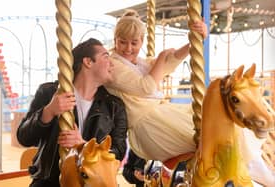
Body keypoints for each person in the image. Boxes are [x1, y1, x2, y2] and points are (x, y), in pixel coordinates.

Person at [17, 38, 128, 187]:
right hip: (49, 182)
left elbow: (119, 151)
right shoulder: (49, 92)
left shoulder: (114, 106)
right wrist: (48, 112)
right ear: (88, 62)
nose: (112, 64)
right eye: (106, 57)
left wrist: (84, 146)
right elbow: (24, 137)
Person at [105, 9, 208, 162]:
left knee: (211, 127)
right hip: (148, 126)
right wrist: (161, 58)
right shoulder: (112, 65)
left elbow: (169, 62)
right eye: (122, 42)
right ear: (115, 40)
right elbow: (146, 87)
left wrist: (194, 40)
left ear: (142, 41)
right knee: (205, 140)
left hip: (159, 115)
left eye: (134, 43)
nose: (128, 48)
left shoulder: (139, 63)